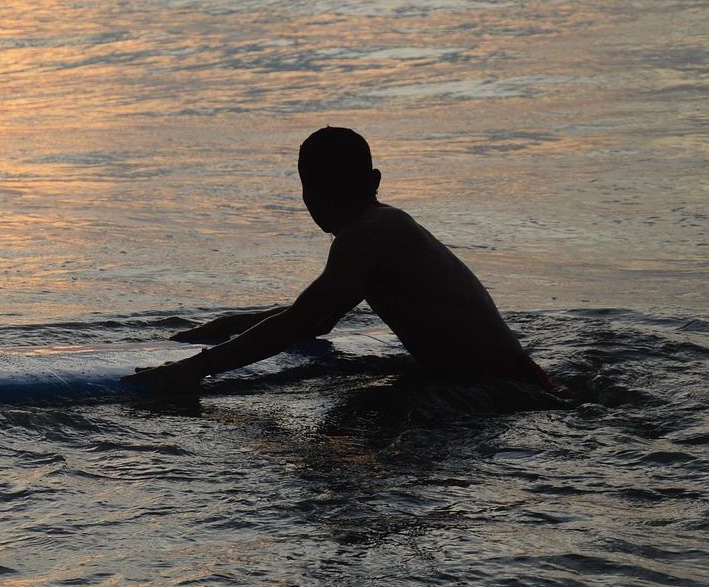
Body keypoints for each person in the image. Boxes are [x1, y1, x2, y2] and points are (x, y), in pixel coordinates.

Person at [122, 127, 556, 393]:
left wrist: (196, 369)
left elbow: (300, 321)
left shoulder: (368, 234)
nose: (323, 200)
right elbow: (317, 319)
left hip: (497, 391)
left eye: (326, 188)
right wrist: (216, 330)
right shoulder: (384, 228)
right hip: (506, 381)